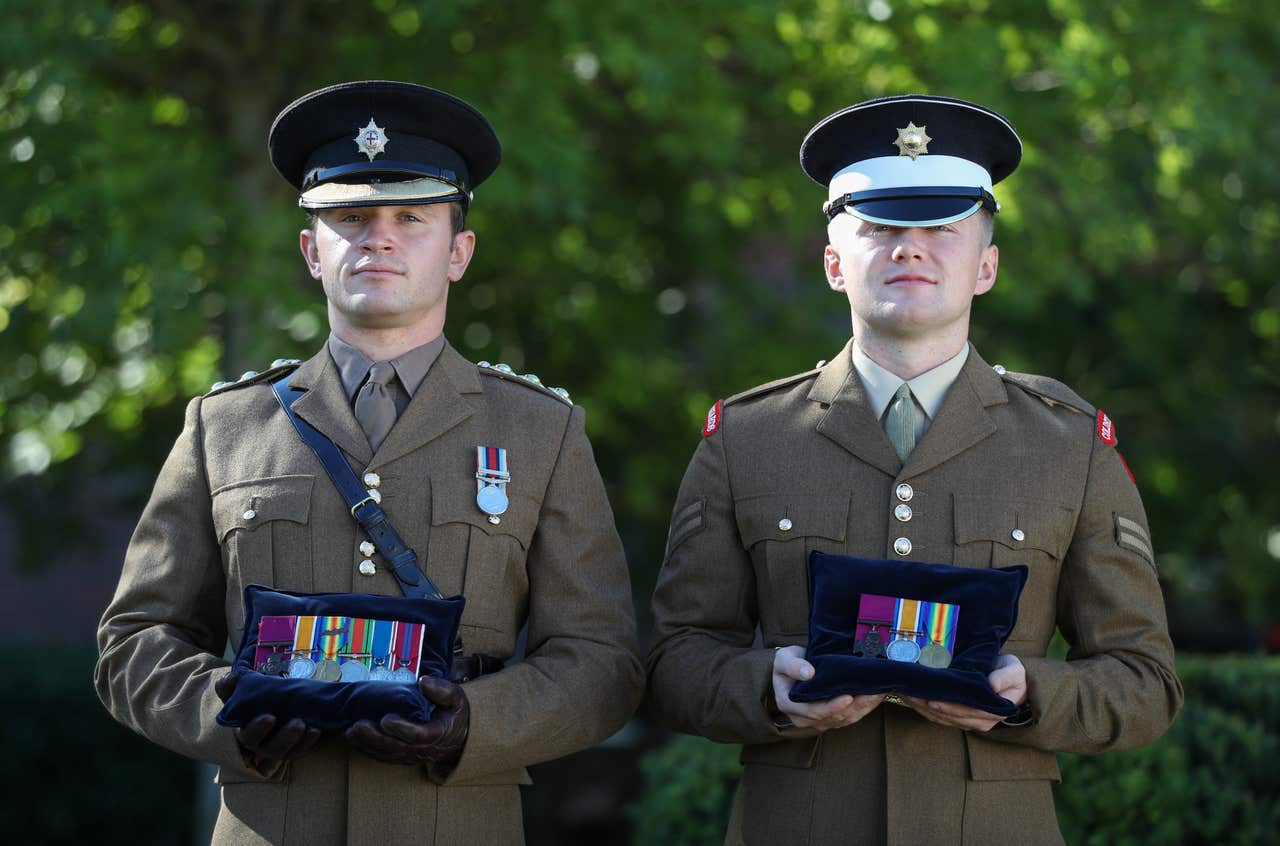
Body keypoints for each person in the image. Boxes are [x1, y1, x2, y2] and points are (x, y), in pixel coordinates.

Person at [95, 80, 643, 845]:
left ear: (459, 252)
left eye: (411, 218)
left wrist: (475, 723)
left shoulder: (541, 431)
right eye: (350, 217)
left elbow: (603, 662)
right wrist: (232, 710)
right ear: (311, 251)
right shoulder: (223, 427)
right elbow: (134, 641)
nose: (378, 237)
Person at [645, 94, 1182, 845]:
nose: (909, 248)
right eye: (880, 227)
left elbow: (1147, 682)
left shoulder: (1069, 445)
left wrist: (1031, 694)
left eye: (942, 228)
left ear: (986, 264)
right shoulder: (747, 438)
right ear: (835, 264)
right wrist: (764, 687)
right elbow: (674, 660)